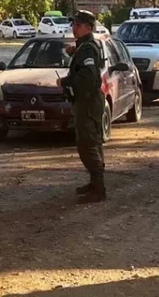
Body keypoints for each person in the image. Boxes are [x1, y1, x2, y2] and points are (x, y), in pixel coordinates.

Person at [58, 10, 107, 203]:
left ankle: (98, 188)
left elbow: (88, 77)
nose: (73, 28)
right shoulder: (83, 46)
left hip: (88, 101)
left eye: (77, 25)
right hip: (85, 101)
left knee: (88, 143)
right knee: (89, 142)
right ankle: (95, 184)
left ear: (88, 27)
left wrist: (67, 82)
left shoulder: (88, 48)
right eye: (73, 25)